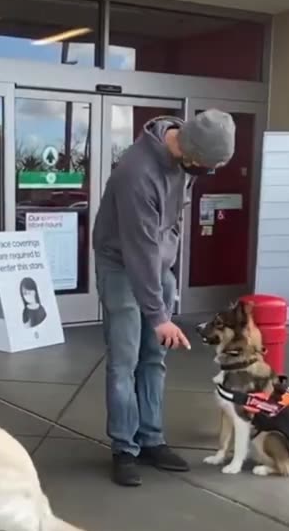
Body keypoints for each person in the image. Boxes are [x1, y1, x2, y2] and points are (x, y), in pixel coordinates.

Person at [92, 110, 237, 487]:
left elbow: (171, 223)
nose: (205, 173)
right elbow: (139, 251)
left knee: (153, 360)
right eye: (206, 165)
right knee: (124, 362)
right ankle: (124, 448)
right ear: (190, 152)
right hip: (122, 267)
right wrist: (159, 316)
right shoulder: (136, 174)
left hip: (158, 268)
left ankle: (152, 438)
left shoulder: (184, 160)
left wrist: (168, 272)